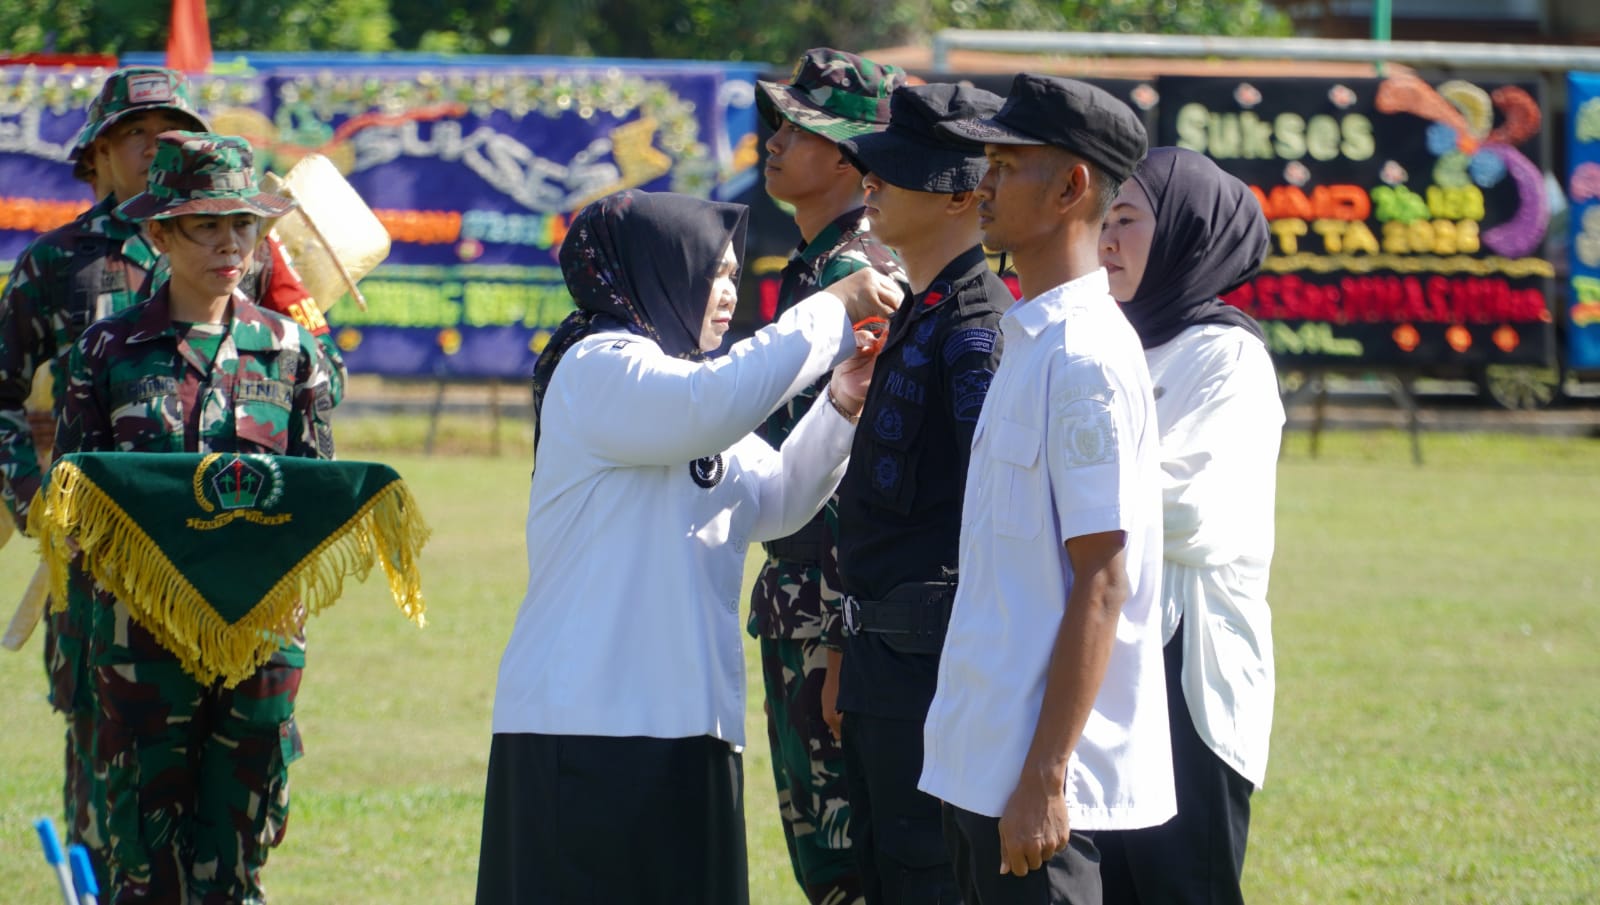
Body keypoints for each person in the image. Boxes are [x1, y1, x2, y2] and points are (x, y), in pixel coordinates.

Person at [475, 188, 900, 905]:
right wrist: (833, 309)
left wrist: (841, 403)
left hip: (690, 726)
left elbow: (777, 500)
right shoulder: (598, 364)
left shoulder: (685, 387)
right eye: (713, 273)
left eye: (734, 274)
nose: (729, 293)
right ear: (658, 271)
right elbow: (710, 406)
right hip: (584, 729)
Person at [54, 131, 337, 904]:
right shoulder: (107, 352)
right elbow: (71, 500)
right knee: (144, 854)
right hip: (141, 640)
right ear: (159, 233)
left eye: (243, 225)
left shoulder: (291, 350)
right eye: (206, 225)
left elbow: (315, 496)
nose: (230, 244)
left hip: (259, 634)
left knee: (238, 849)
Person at [918, 74, 1175, 905]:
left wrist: (1046, 775)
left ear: (1071, 188)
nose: (984, 184)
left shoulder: (1085, 357)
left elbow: (1102, 579)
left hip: (1042, 788)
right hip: (984, 759)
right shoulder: (1034, 339)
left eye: (1006, 165)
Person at [0, 66, 209, 887]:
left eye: (172, 133)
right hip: (94, 567)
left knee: (215, 767)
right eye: (137, 135)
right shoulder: (56, 264)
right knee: (103, 763)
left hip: (210, 554)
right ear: (98, 154)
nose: (157, 147)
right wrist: (31, 497)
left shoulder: (228, 251)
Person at [831, 82, 1011, 904]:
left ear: (959, 196)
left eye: (893, 170)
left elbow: (992, 521)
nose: (869, 183)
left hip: (932, 672)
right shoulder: (923, 309)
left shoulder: (975, 327)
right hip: (883, 662)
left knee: (927, 877)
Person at [1092, 146, 1283, 905]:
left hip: (1186, 669)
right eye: (1104, 221)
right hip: (1106, 660)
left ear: (1186, 233)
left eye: (1128, 221)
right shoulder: (1109, 341)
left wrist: (1067, 489)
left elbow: (1192, 510)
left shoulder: (1227, 355)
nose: (1107, 239)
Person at [750, 47, 908, 905]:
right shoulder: (817, 265)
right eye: (777, 123)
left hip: (830, 609)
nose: (775, 141)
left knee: (849, 863)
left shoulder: (857, 273)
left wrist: (846, 633)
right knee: (830, 864)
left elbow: (864, 468)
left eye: (799, 129)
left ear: (850, 159)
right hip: (801, 596)